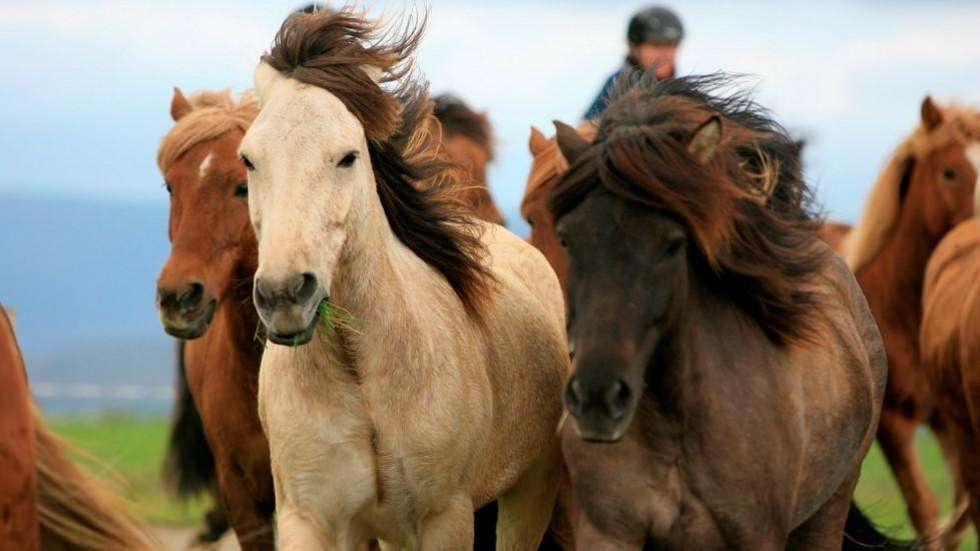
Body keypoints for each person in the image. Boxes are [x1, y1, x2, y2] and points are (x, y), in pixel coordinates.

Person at [583, 6, 684, 121]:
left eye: (671, 45)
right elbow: (586, 129)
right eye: (656, 45)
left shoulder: (683, 92)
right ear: (634, 47)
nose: (665, 54)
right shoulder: (617, 86)